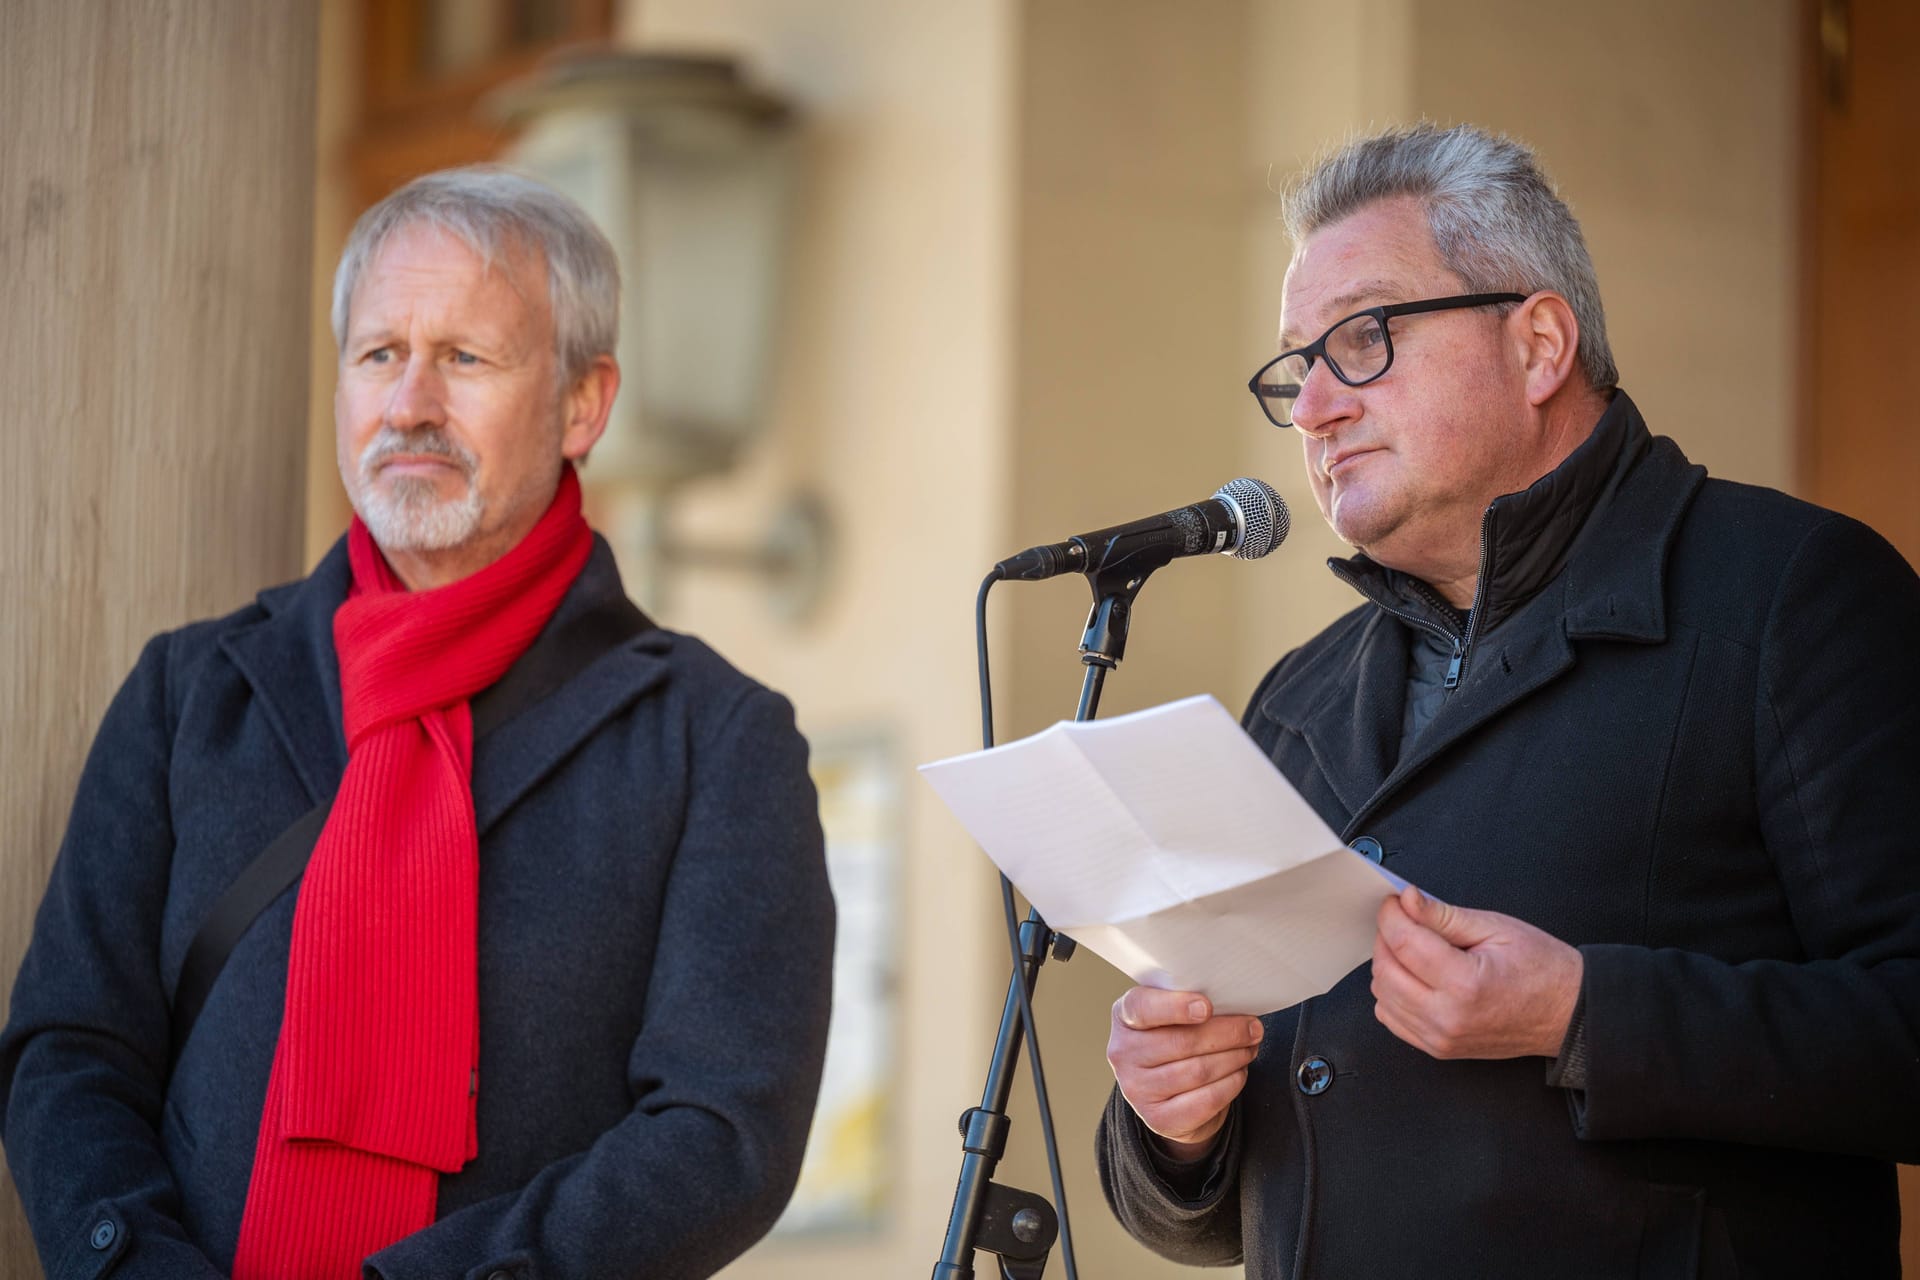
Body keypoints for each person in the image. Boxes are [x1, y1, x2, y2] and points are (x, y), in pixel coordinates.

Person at [1097, 123, 1920, 1279]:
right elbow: (1220, 1211)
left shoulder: (1788, 595)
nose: (1317, 405)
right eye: (1298, 365)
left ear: (1538, 345)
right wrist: (1170, 1123)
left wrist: (1587, 1013)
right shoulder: (1297, 698)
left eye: (1364, 337)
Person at [0, 168, 835, 1279]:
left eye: (465, 357)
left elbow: (722, 1133)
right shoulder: (190, 692)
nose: (409, 404)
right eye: (379, 353)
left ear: (584, 402)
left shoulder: (714, 741)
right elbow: (71, 1045)